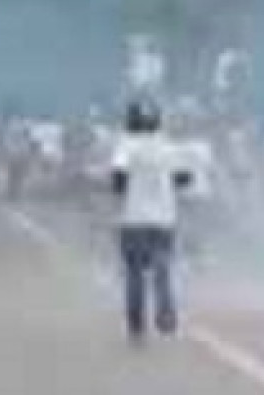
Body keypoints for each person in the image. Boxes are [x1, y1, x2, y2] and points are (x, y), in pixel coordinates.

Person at [110, 97, 193, 344]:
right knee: (163, 265)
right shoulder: (168, 145)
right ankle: (166, 311)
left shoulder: (125, 145)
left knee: (135, 273)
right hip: (164, 218)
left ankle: (137, 325)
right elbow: (184, 178)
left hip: (134, 218)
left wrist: (132, 185)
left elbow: (118, 180)